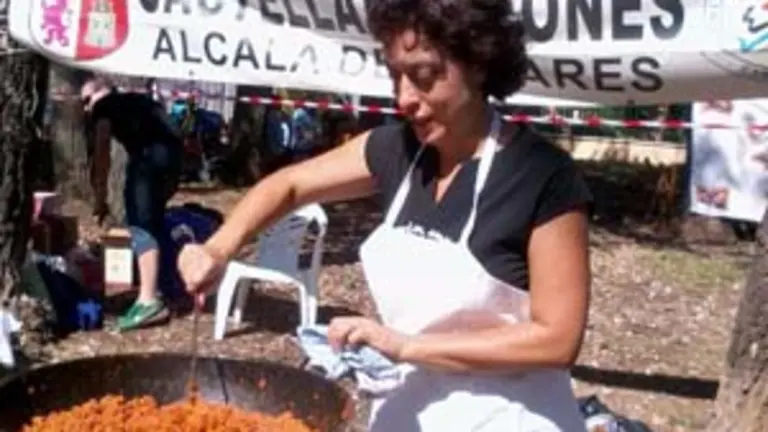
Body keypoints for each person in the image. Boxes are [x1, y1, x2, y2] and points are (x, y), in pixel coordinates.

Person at [178, 0, 592, 430]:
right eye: (396, 76)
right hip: (410, 410)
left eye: (424, 76)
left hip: (510, 415)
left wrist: (406, 346)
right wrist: (217, 248)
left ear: (479, 64)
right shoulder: (396, 151)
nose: (404, 99)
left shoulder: (542, 175)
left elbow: (556, 339)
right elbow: (290, 185)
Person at [81, 76, 183, 332]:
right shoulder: (138, 100)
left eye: (86, 100)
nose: (85, 108)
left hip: (148, 161)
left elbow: (102, 154)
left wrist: (100, 197)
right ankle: (163, 287)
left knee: (141, 227)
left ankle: (149, 300)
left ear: (101, 93)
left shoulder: (104, 106)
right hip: (174, 163)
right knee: (154, 222)